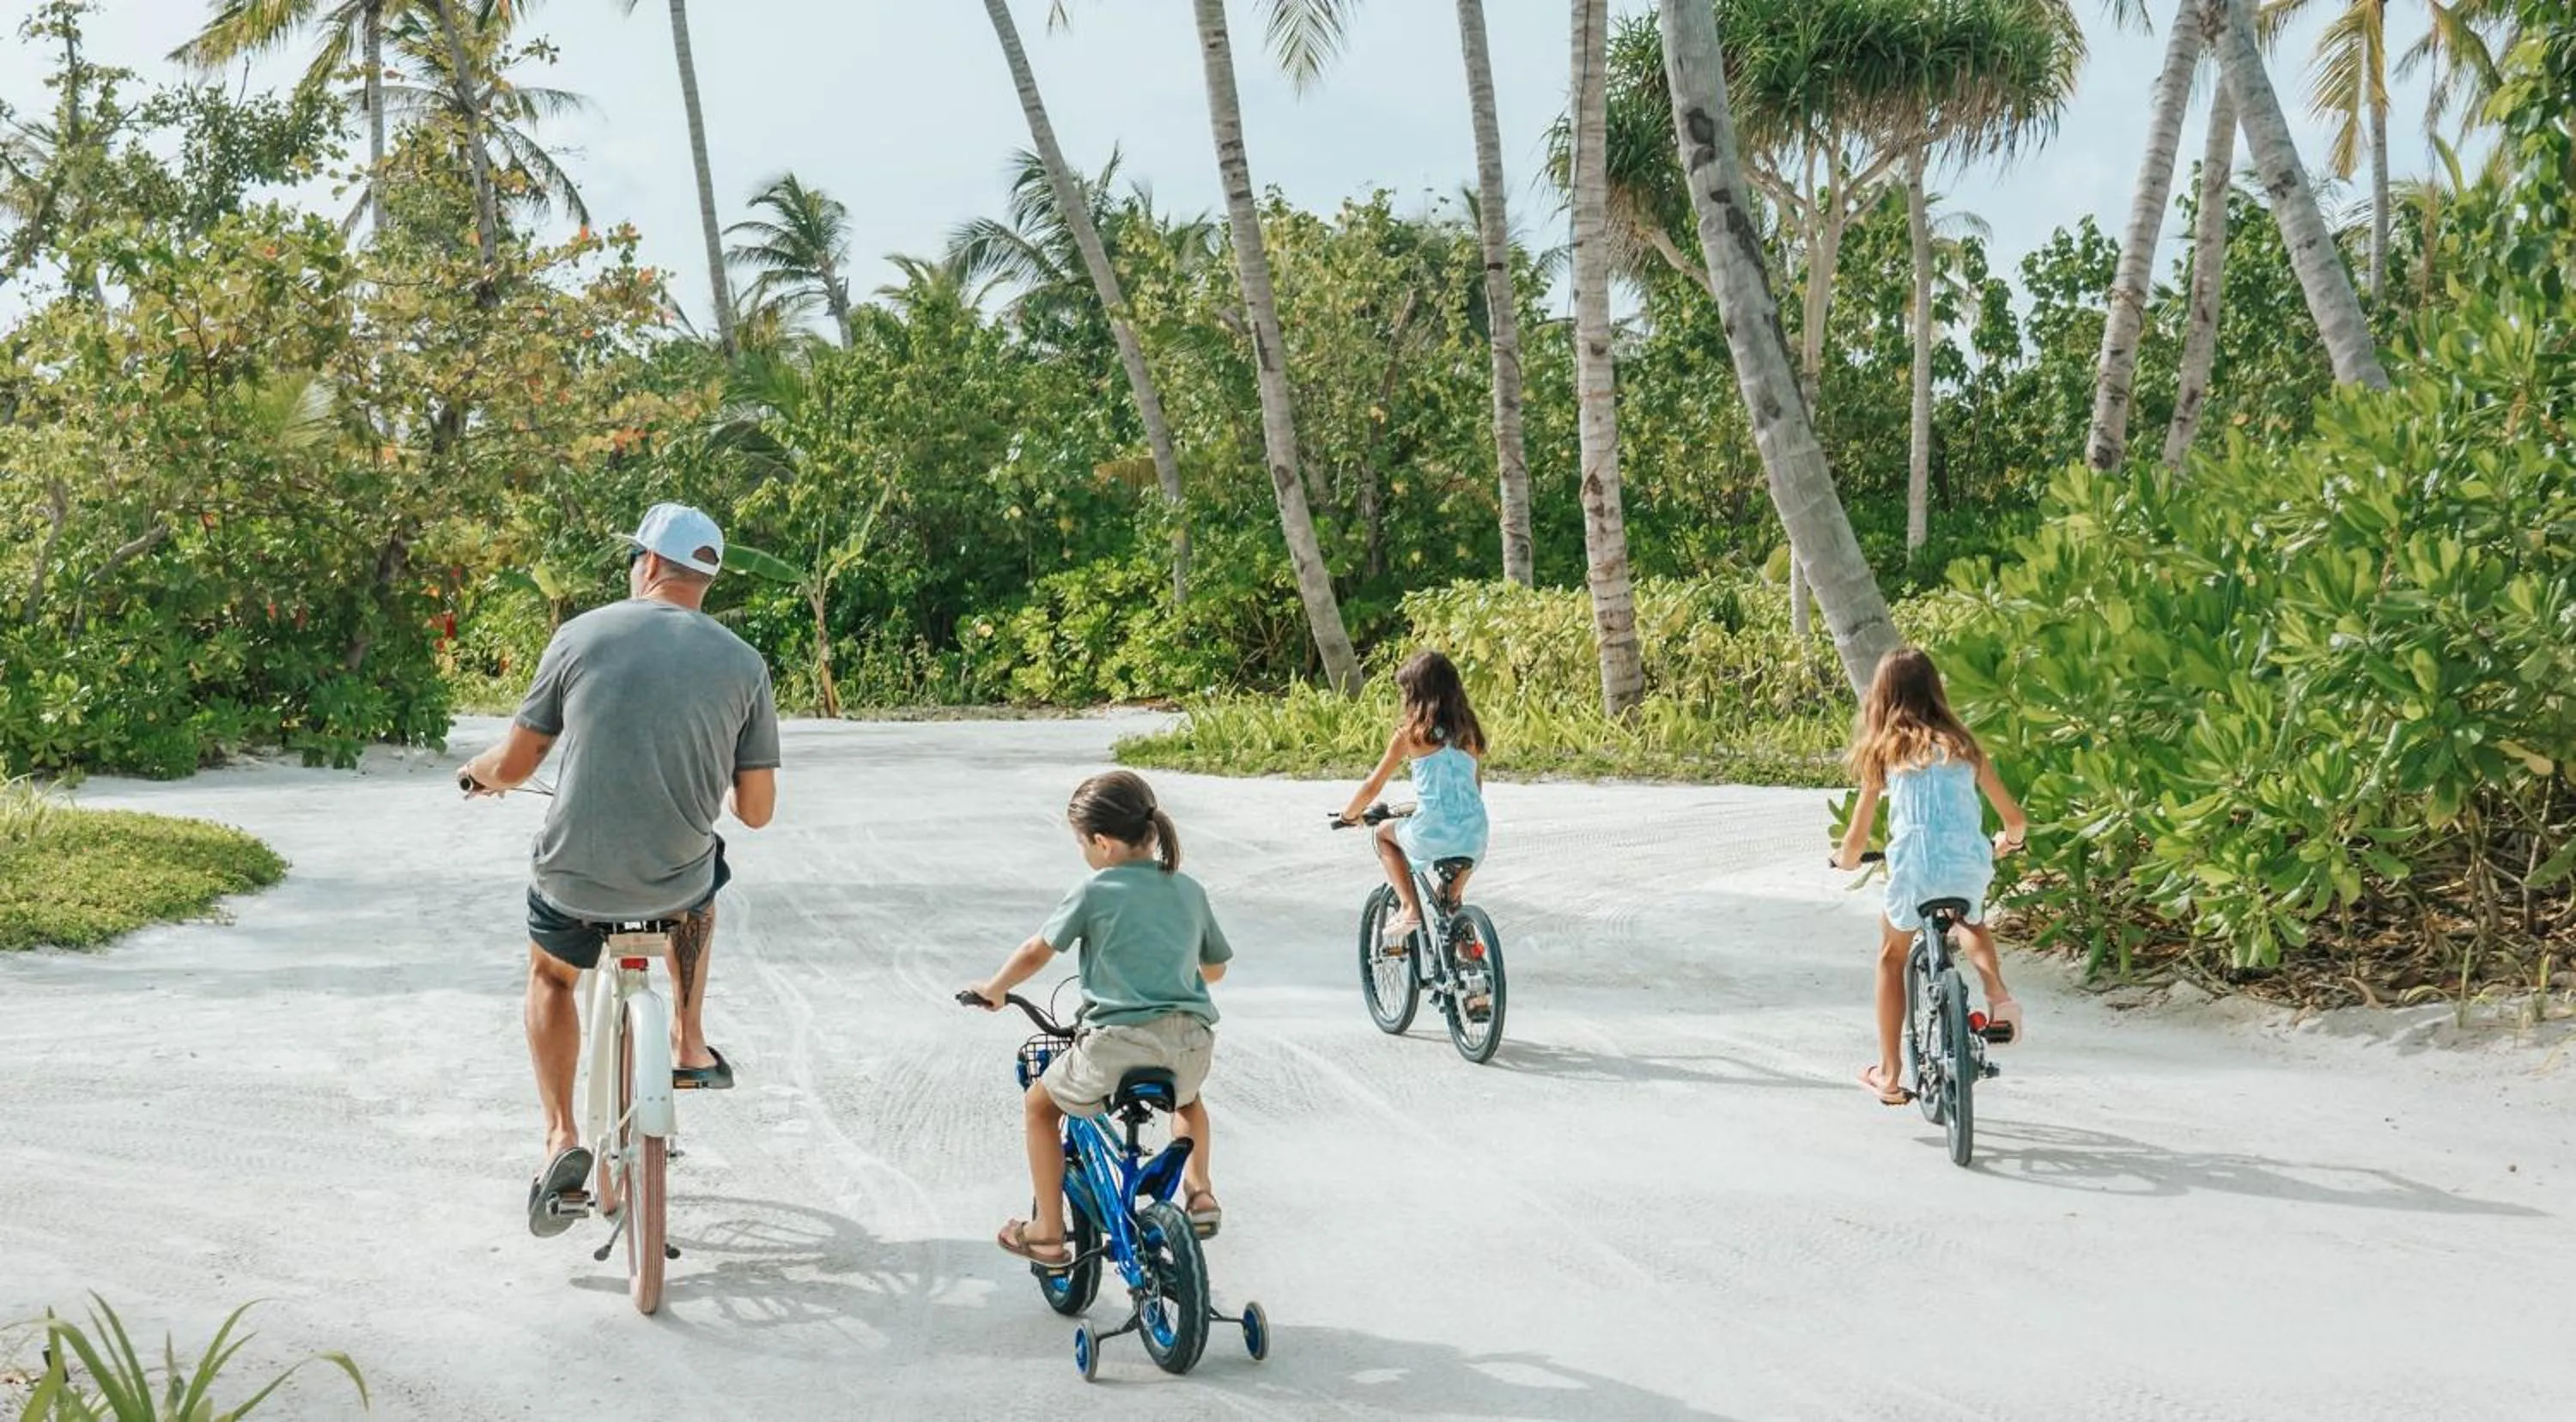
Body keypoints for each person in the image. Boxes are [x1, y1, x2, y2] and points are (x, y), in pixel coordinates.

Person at [461, 501, 781, 1235]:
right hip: (674, 882)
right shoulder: (742, 662)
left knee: (550, 976)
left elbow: (514, 765)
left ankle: (559, 1135)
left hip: (575, 880)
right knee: (707, 884)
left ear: (646, 563)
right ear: (708, 578)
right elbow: (756, 812)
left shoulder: (581, 635)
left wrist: (475, 774)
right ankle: (688, 1037)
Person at [965, 771, 1230, 1267]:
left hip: (1116, 1044)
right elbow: (1213, 969)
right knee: (1188, 1103)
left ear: (1103, 843)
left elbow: (1036, 951)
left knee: (1041, 1106)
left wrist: (995, 989)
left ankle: (1046, 1232)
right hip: (1191, 1043)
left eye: (1082, 843)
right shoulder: (1189, 889)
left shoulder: (1096, 890)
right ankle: (1200, 1194)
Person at [1831, 647, 2027, 1106]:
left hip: (1914, 868)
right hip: (1966, 863)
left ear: (1883, 697)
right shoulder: (1965, 749)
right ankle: (1998, 995)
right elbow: (2014, 819)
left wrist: (1843, 860)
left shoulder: (1885, 752)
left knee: (1891, 958)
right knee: (1971, 922)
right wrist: (2008, 843)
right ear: (1935, 691)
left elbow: (1857, 841)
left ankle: (1891, 1074)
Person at [1334, 650, 1490, 947]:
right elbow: (1472, 787)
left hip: (1431, 830)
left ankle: (1408, 908)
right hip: (1474, 834)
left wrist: (1349, 815)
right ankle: (1476, 982)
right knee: (1450, 903)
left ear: (1417, 694)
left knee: (1383, 835)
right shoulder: (1469, 732)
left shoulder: (1410, 734)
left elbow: (1372, 786)